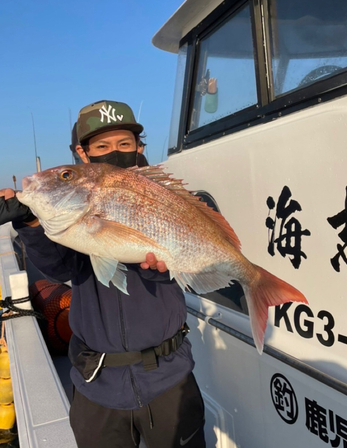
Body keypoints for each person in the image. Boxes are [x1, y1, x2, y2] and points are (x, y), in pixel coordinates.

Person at [0, 100, 205, 448]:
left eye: (124, 144)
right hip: (97, 382)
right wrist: (30, 222)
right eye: (102, 146)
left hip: (169, 377)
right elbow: (62, 268)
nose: (115, 152)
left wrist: (160, 270)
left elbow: (182, 260)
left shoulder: (163, 193)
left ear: (139, 148)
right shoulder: (80, 207)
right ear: (84, 153)